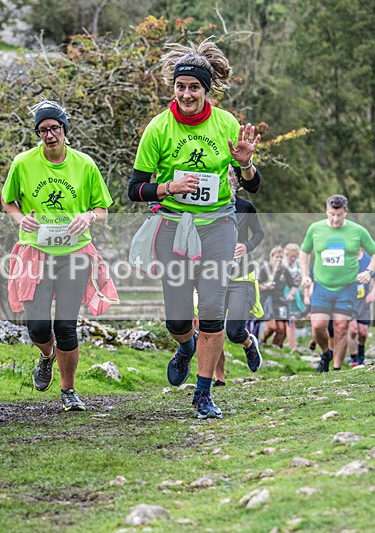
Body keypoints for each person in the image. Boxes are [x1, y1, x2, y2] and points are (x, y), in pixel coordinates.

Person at [127, 40, 261, 418]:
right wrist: (168, 187)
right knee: (178, 319)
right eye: (180, 87)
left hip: (219, 226)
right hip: (173, 229)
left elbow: (251, 186)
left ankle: (203, 393)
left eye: (194, 88)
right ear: (174, 89)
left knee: (214, 309)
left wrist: (246, 165)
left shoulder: (227, 124)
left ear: (206, 90)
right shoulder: (158, 128)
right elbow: (134, 189)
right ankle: (185, 347)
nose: (186, 94)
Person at [2, 99, 115, 412]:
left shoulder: (85, 165)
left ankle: (69, 391)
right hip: (35, 252)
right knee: (37, 327)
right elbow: (9, 201)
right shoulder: (23, 163)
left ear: (64, 130)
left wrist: (88, 218)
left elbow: (102, 208)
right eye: (42, 130)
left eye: (53, 128)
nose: (49, 135)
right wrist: (20, 218)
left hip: (74, 254)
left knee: (66, 326)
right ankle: (45, 355)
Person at [299, 194, 375, 372]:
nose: (335, 219)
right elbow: (304, 251)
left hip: (347, 287)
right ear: (326, 212)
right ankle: (325, 353)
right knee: (318, 326)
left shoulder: (358, 231)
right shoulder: (315, 229)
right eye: (332, 214)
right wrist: (305, 274)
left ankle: (336, 369)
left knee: (341, 327)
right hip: (322, 286)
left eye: (340, 215)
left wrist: (369, 272)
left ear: (346, 212)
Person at [214, 168, 264, 386]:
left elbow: (260, 233)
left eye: (230, 177)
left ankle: (247, 343)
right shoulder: (208, 207)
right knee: (211, 328)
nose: (227, 180)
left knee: (234, 331)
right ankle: (218, 378)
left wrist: (247, 245)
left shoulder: (246, 207)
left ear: (237, 182)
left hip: (241, 277)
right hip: (213, 276)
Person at [348, 249, 375, 366]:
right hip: (348, 301)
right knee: (353, 330)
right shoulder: (345, 258)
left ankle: (361, 353)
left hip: (363, 301)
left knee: (362, 332)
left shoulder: (368, 260)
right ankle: (353, 358)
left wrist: (372, 293)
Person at [259, 246, 297, 347]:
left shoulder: (285, 271)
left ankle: (273, 348)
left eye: (281, 257)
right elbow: (257, 284)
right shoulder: (265, 269)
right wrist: (266, 286)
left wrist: (290, 294)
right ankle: (263, 340)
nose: (279, 259)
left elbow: (293, 286)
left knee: (281, 329)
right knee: (272, 327)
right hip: (267, 299)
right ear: (271, 257)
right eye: (277, 257)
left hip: (280, 301)